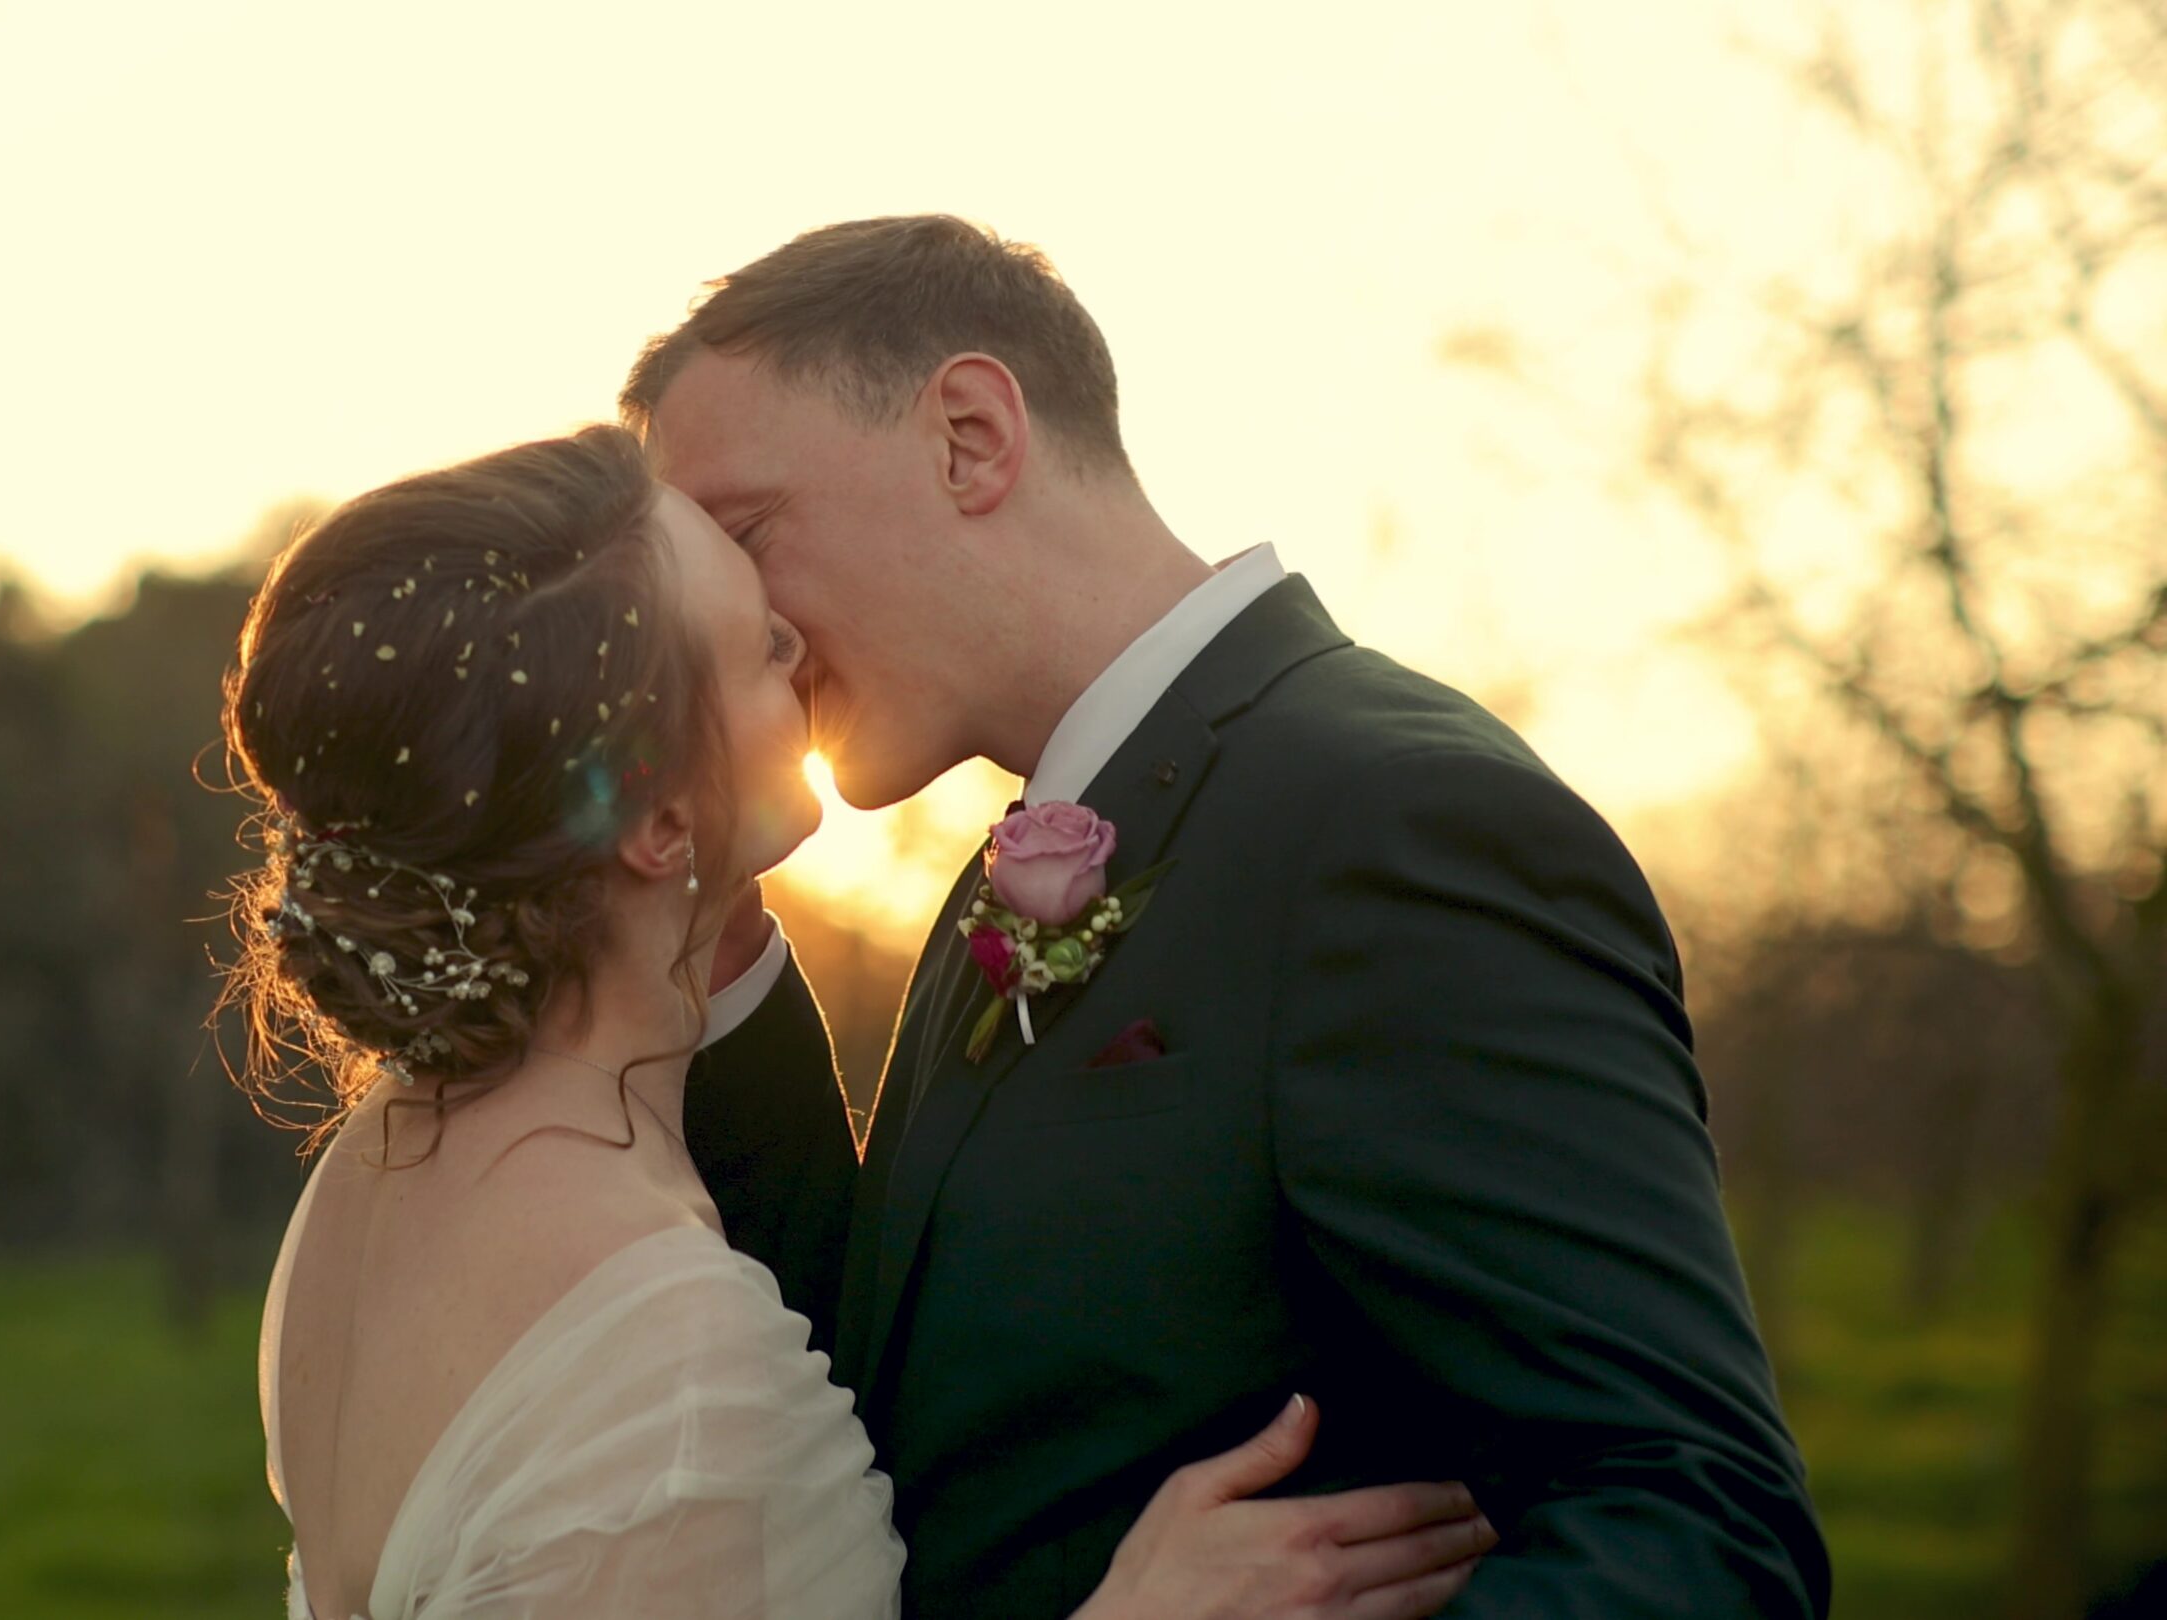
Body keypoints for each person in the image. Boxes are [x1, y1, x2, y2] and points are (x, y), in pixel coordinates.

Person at [626, 217, 1832, 1619]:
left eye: (744, 538)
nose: (738, 628)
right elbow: (913, 1400)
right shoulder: (1014, 864)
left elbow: (1698, 1527)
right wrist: (717, 958)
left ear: (970, 438)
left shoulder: (1395, 821)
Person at [225, 427, 1498, 1619]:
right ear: (657, 824)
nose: (800, 646)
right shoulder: (666, 1340)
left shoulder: (380, 1163)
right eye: (756, 648)